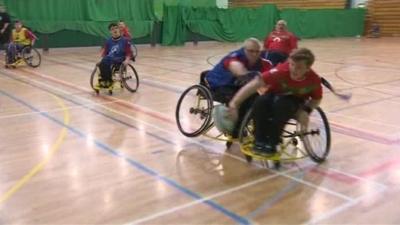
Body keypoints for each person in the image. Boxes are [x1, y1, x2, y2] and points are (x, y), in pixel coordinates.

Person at [228, 48, 322, 155]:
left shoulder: (314, 80)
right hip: (275, 94)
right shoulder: (281, 71)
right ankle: (259, 139)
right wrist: (234, 103)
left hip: (295, 100)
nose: (294, 69)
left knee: (282, 105)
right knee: (260, 101)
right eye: (292, 64)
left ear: (308, 68)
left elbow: (316, 99)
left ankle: (273, 142)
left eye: (299, 67)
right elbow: (255, 83)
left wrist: (306, 110)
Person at [204, 37, 273, 137]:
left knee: (259, 100)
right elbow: (239, 70)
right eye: (251, 51)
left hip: (239, 86)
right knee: (243, 100)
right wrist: (250, 75)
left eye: (257, 51)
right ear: (244, 50)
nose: (254, 54)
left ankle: (254, 130)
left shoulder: (263, 63)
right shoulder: (234, 57)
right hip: (220, 83)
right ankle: (235, 129)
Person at [96, 22, 132, 89]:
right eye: (112, 29)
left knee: (105, 61)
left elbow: (129, 52)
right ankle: (105, 81)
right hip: (109, 58)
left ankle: (107, 81)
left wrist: (127, 60)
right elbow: (105, 53)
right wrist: (101, 59)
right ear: (110, 31)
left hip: (120, 58)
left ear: (119, 29)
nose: (115, 30)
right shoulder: (108, 41)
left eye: (116, 28)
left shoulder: (125, 40)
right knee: (102, 63)